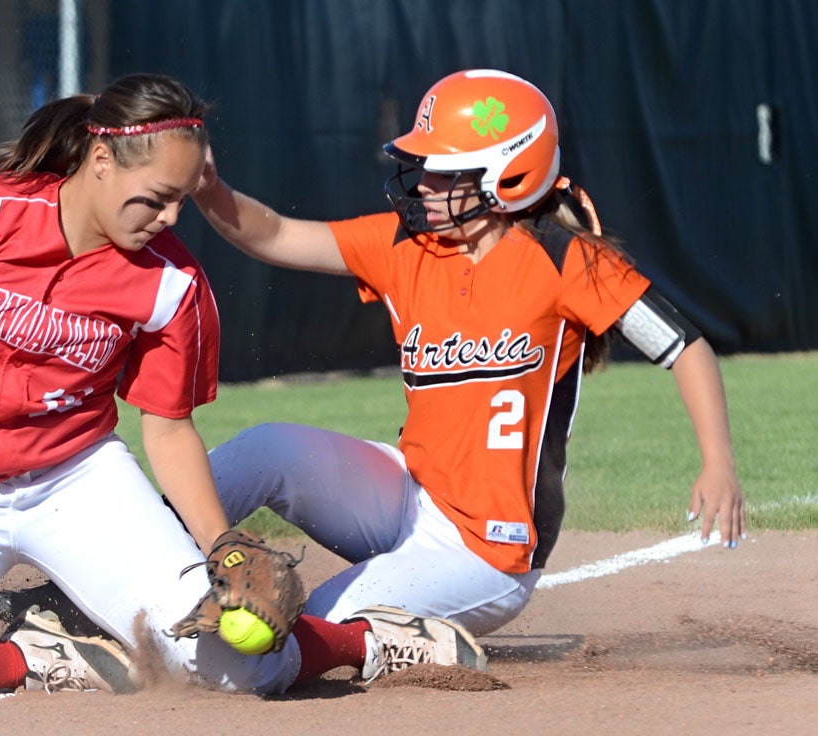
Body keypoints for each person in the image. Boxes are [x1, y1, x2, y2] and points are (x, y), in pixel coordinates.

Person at [0, 72, 480, 703]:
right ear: (101, 158)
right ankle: (41, 659)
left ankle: (366, 643)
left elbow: (166, 429)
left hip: (74, 486)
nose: (168, 217)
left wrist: (222, 544)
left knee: (235, 668)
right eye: (156, 195)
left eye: (182, 199)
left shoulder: (170, 284)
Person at [186, 68, 747, 638]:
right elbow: (276, 234)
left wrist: (718, 462)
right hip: (409, 496)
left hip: (490, 553)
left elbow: (685, 346)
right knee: (270, 448)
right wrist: (210, 189)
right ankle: (135, 559)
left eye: (443, 171)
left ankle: (399, 649)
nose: (422, 182)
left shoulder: (565, 260)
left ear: (508, 176)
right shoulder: (407, 244)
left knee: (308, 618)